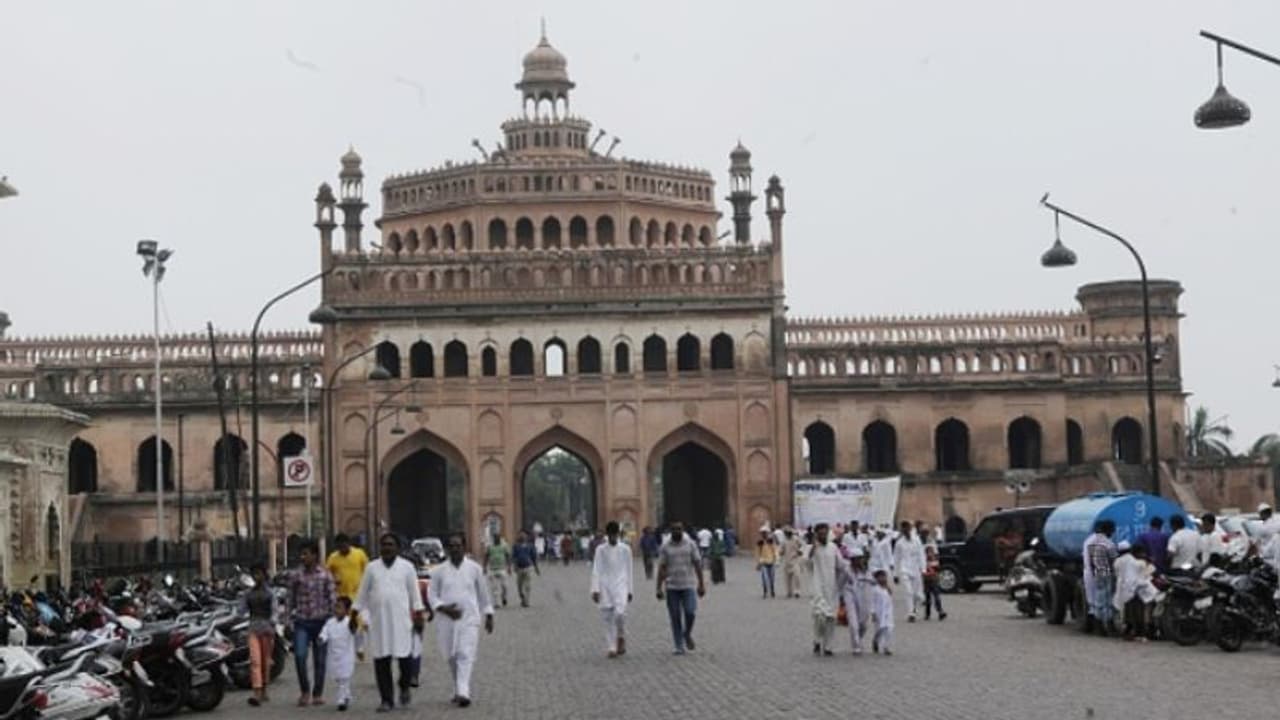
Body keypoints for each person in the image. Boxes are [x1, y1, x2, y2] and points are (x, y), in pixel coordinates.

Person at [354, 533, 427, 713]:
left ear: (397, 548)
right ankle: (386, 700)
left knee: (405, 661)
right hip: (379, 623)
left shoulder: (407, 567)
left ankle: (404, 687)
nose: (387, 548)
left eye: (391, 545)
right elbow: (362, 593)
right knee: (381, 661)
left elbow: (414, 594)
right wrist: (354, 615)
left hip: (402, 622)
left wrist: (419, 615)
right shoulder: (372, 568)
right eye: (384, 544)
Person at [427, 534, 495, 708]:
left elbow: (483, 593)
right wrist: (445, 609)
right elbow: (432, 595)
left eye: (458, 545)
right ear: (447, 549)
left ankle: (463, 691)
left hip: (469, 619)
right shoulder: (438, 571)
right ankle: (458, 688)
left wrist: (489, 614)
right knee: (451, 655)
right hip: (446, 620)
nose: (455, 548)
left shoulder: (474, 569)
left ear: (464, 547)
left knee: (465, 654)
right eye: (451, 545)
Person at [289, 540, 337, 706]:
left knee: (320, 660)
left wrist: (332, 622)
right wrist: (289, 619)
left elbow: (332, 599)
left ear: (315, 555)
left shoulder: (325, 575)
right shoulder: (296, 575)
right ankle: (305, 691)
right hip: (302, 622)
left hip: (321, 622)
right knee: (300, 656)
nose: (303, 557)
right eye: (301, 554)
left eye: (306, 554)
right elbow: (291, 599)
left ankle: (317, 693)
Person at [656, 521, 705, 655]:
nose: (677, 531)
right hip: (672, 586)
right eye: (674, 529)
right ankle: (679, 645)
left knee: (690, 612)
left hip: (688, 584)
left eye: (679, 529)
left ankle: (686, 633)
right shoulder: (665, 547)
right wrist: (658, 588)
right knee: (675, 616)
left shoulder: (690, 544)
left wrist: (701, 584)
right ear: (670, 531)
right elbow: (661, 567)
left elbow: (697, 564)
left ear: (683, 530)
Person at [590, 521, 634, 658]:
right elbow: (596, 569)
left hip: (621, 584)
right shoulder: (600, 549)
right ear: (607, 535)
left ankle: (621, 635)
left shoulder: (626, 549)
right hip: (605, 585)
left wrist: (630, 590)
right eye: (610, 535)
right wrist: (595, 589)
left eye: (615, 534)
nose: (612, 537)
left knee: (620, 613)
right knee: (607, 617)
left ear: (618, 534)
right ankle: (611, 646)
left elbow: (629, 570)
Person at [242, 564, 277, 707]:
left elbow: (274, 611)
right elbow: (241, 610)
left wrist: (273, 622)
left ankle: (264, 688)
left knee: (265, 661)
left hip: (267, 630)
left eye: (259, 574)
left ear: (264, 575)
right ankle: (256, 692)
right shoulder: (248, 594)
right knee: (255, 660)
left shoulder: (270, 593)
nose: (257, 577)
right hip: (253, 629)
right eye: (254, 574)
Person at [320, 597, 363, 712]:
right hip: (333, 655)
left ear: (347, 610)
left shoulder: (350, 623)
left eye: (340, 607)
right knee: (338, 677)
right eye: (336, 607)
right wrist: (322, 638)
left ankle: (341, 700)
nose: (336, 610)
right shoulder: (330, 622)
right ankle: (347, 695)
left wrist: (359, 650)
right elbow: (325, 632)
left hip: (346, 656)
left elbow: (358, 636)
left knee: (344, 676)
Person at [808, 523, 839, 656]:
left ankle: (828, 646)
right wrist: (812, 550)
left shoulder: (833, 547)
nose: (823, 536)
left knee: (831, 618)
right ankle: (817, 639)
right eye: (820, 534)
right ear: (816, 534)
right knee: (820, 616)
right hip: (818, 586)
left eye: (825, 533)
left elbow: (841, 564)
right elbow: (806, 563)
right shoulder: (813, 549)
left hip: (832, 587)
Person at [1082, 520, 1118, 635]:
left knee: (1098, 600)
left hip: (1095, 574)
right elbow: (1114, 560)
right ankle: (1109, 626)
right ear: (1108, 530)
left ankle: (1099, 626)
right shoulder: (1108, 543)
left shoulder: (1090, 542)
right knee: (1107, 601)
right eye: (1112, 530)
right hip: (1106, 574)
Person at [838, 546, 874, 654]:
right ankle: (856, 645)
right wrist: (840, 598)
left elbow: (874, 582)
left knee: (863, 622)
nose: (859, 561)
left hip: (864, 596)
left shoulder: (867, 570)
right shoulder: (846, 570)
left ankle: (859, 637)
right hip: (850, 595)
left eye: (860, 558)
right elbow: (840, 584)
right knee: (853, 622)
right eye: (856, 559)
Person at [893, 521, 925, 623]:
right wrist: (895, 574)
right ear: (902, 530)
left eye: (907, 528)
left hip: (915, 569)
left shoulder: (916, 540)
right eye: (904, 529)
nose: (906, 530)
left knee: (916, 593)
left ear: (910, 529)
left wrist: (923, 568)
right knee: (908, 591)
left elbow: (921, 554)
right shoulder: (899, 543)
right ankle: (910, 613)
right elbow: (896, 558)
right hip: (904, 569)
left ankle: (915, 607)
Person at [326, 534, 370, 604]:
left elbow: (368, 571)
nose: (342, 548)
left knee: (357, 614)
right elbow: (326, 574)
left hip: (358, 594)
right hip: (341, 596)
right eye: (339, 547)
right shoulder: (332, 558)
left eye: (344, 545)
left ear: (348, 543)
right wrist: (334, 579)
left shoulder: (359, 553)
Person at [511, 531, 539, 608]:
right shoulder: (516, 546)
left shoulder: (530, 546)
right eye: (521, 535)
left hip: (528, 567)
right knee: (519, 586)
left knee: (528, 585)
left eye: (524, 535)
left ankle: (527, 601)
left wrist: (536, 568)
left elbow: (534, 557)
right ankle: (522, 597)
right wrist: (513, 566)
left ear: (526, 537)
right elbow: (513, 557)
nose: (522, 537)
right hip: (519, 568)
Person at [484, 533, 512, 609]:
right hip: (492, 569)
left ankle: (504, 597)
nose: (497, 539)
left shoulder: (504, 545)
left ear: (500, 538)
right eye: (495, 538)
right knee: (494, 587)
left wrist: (509, 567)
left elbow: (508, 555)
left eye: (498, 538)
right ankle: (496, 603)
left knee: (505, 586)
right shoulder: (489, 546)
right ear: (493, 539)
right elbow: (486, 556)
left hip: (502, 568)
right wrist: (484, 567)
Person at [870, 569, 894, 656]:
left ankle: (886, 647)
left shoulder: (887, 588)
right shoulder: (875, 590)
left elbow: (890, 599)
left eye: (884, 577)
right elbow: (872, 602)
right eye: (880, 577)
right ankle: (876, 641)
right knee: (879, 629)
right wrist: (873, 612)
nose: (883, 579)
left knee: (889, 629)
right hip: (879, 612)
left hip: (888, 612)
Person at [922, 544, 946, 621]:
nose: (930, 554)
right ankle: (927, 614)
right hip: (926, 581)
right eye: (928, 552)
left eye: (931, 552)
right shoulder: (923, 561)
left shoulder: (935, 560)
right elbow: (922, 571)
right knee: (928, 598)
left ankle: (940, 611)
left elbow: (938, 568)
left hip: (934, 580)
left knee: (937, 597)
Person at [780, 528, 805, 599]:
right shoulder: (784, 541)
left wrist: (800, 551)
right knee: (787, 578)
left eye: (789, 533)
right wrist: (781, 552)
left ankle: (797, 591)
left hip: (795, 560)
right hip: (787, 561)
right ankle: (789, 591)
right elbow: (781, 550)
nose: (788, 534)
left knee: (797, 576)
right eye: (787, 533)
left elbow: (803, 546)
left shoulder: (796, 539)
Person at [755, 530, 778, 599]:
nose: (764, 535)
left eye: (765, 533)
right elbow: (757, 553)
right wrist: (758, 562)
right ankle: (765, 591)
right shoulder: (760, 543)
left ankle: (772, 590)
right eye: (763, 534)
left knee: (772, 578)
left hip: (771, 562)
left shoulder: (771, 542)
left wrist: (776, 560)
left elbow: (775, 551)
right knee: (764, 579)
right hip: (763, 562)